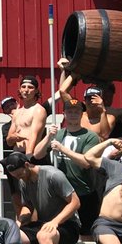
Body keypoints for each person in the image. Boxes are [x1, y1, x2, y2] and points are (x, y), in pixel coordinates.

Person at [1, 151, 80, 244]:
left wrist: (56, 222)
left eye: (19, 174)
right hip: (44, 223)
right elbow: (28, 207)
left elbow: (75, 202)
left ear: (26, 165)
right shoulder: (24, 181)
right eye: (15, 176)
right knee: (11, 235)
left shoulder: (53, 175)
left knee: (44, 236)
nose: (19, 178)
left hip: (68, 224)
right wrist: (20, 220)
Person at [35, 100, 101, 234]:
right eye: (69, 111)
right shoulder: (58, 135)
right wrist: (48, 136)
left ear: (82, 114)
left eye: (77, 111)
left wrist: (62, 149)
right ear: (64, 114)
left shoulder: (90, 136)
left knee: (86, 233)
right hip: (62, 194)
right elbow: (37, 154)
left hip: (84, 192)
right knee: (60, 230)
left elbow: (86, 162)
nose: (73, 114)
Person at [5, 76, 48, 159]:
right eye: (23, 87)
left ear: (36, 91)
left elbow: (33, 136)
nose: (26, 90)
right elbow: (9, 142)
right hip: (17, 154)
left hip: (32, 155)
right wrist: (13, 137)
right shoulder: (17, 113)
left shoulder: (38, 110)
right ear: (20, 90)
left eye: (30, 87)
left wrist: (28, 158)